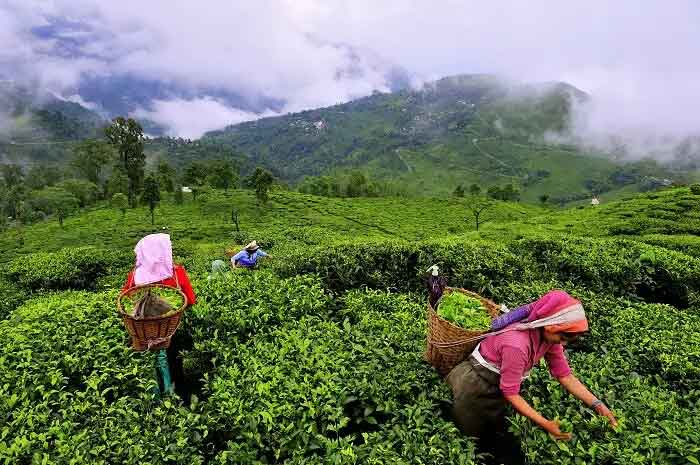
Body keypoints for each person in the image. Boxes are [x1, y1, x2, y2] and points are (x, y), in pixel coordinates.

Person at [446, 290, 617, 463]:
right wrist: (545, 423)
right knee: (471, 440)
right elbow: (511, 392)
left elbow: (565, 376)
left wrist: (598, 405)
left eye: (569, 340)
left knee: (494, 436)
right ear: (550, 324)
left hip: (497, 386)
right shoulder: (517, 345)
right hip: (474, 388)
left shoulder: (549, 339)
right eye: (563, 337)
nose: (564, 343)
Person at [122, 233, 196, 306]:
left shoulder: (135, 276)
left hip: (141, 317)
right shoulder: (177, 272)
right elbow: (190, 300)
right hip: (171, 316)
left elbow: (124, 298)